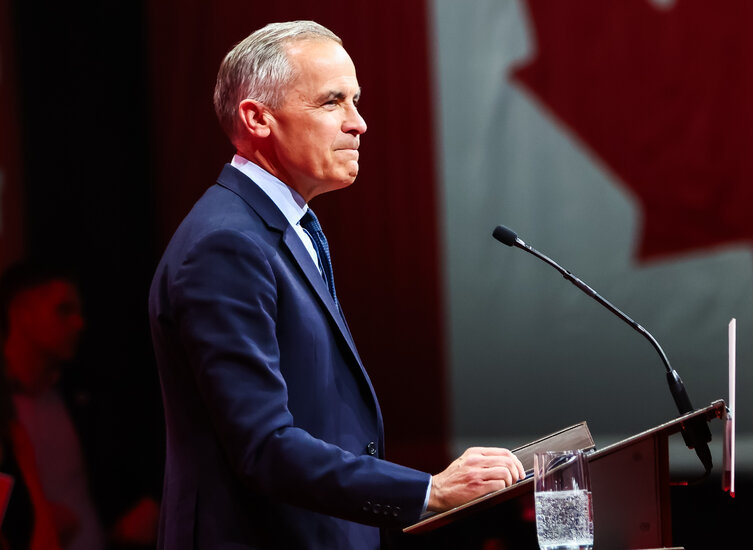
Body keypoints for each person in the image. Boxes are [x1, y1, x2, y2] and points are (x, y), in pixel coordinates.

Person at [148, 21, 525, 550]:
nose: (359, 123)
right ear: (257, 118)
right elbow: (263, 447)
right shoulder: (225, 245)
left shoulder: (282, 228)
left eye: (356, 100)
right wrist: (430, 491)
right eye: (332, 102)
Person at [0, 262, 159, 550]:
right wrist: (29, 516)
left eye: (78, 311)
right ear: (22, 313)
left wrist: (144, 505)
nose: (79, 323)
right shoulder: (6, 407)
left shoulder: (85, 395)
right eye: (63, 310)